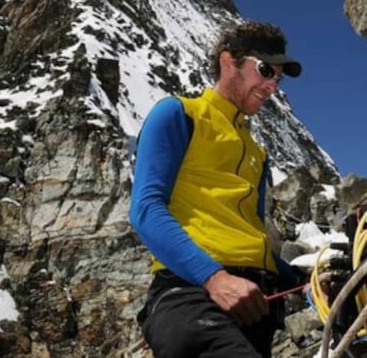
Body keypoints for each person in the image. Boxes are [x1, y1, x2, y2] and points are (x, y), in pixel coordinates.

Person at [129, 21, 304, 357]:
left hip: (256, 303)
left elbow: (250, 234)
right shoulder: (181, 114)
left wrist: (300, 278)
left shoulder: (256, 153)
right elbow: (146, 209)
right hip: (192, 294)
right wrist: (214, 278)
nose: (272, 86)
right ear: (229, 61)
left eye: (277, 78)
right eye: (265, 70)